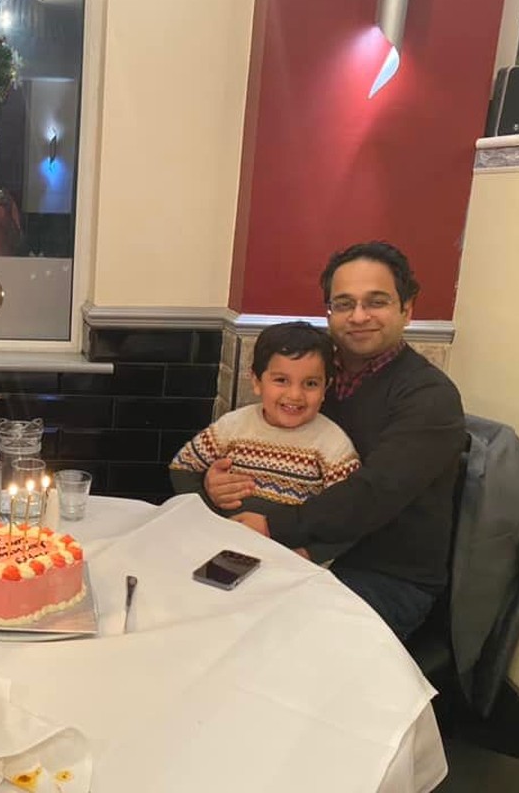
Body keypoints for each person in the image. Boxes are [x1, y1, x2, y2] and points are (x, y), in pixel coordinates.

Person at [205, 242, 465, 641]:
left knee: (272, 639)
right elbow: (263, 440)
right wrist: (216, 479)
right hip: (295, 547)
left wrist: (273, 526)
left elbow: (372, 493)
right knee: (202, 603)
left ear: (407, 308)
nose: (358, 316)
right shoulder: (315, 379)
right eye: (344, 304)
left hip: (382, 574)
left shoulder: (430, 398)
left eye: (376, 301)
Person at [169, 322, 360, 563]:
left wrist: (306, 555)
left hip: (291, 563)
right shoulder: (233, 426)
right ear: (257, 381)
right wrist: (209, 512)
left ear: (326, 387)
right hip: (224, 548)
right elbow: (182, 467)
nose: (295, 395)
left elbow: (350, 516)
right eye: (281, 380)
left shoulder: (333, 446)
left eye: (311, 383)